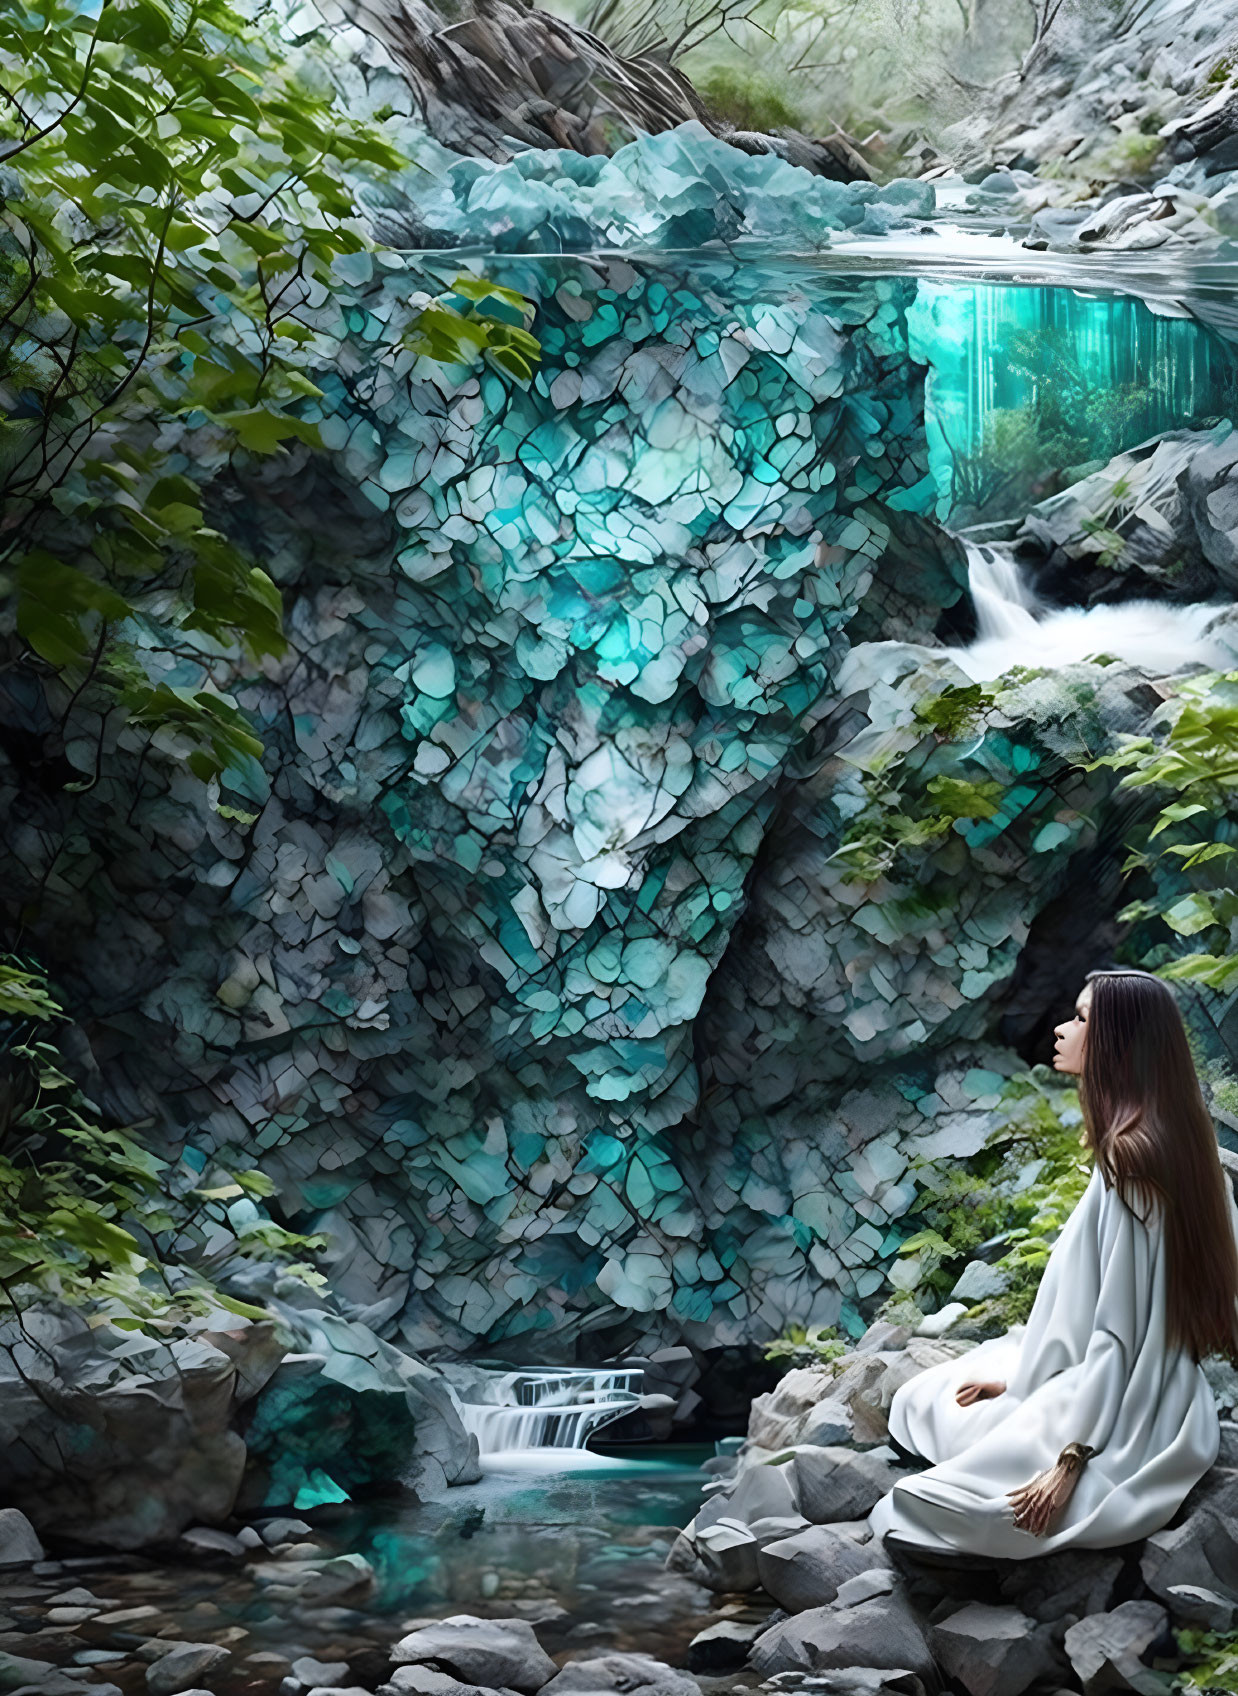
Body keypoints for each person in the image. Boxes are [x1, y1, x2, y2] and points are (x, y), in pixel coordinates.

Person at [866, 967, 1238, 1559]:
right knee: (934, 1395)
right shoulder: (1181, 1147)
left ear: (1118, 1042)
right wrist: (1022, 1380)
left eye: (1083, 1018)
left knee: (923, 1453)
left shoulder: (1132, 1163)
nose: (1064, 1030)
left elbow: (1117, 1336)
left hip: (1122, 1405)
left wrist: (1070, 1460)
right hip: (1153, 1388)